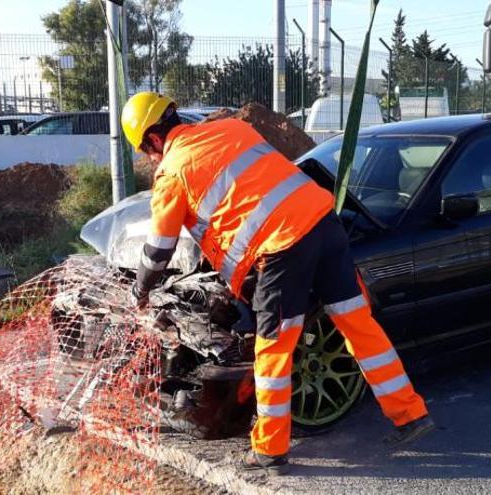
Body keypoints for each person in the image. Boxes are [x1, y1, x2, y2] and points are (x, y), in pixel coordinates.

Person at [122, 92, 433, 475]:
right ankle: (410, 413)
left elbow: (158, 250)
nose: (150, 158)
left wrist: (140, 290)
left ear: (153, 139)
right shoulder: (231, 128)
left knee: (273, 348)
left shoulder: (171, 172)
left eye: (146, 151)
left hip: (283, 248)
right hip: (324, 222)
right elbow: (255, 188)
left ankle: (270, 449)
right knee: (358, 323)